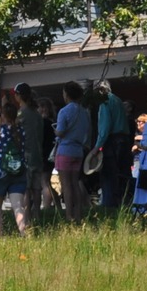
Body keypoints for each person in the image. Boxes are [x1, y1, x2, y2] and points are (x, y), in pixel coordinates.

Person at [0, 99, 32, 236]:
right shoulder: (21, 131)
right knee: (18, 205)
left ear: (3, 116)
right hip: (18, 171)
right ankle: (24, 233)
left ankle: (0, 233)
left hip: (0, 171)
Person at [53, 81, 93, 222]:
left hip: (65, 150)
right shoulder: (84, 112)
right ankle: (78, 214)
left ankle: (69, 215)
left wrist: (55, 131)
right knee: (75, 183)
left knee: (66, 184)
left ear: (67, 94)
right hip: (78, 150)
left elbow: (61, 132)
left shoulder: (64, 111)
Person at [96, 82, 135, 209]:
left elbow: (105, 127)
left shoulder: (105, 102)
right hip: (124, 141)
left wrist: (97, 147)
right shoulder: (117, 100)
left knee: (109, 176)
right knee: (123, 176)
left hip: (112, 143)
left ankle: (109, 207)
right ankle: (125, 205)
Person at [12, 85, 49, 217]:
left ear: (19, 95)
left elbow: (13, 131)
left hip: (25, 155)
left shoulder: (21, 113)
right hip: (38, 155)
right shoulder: (37, 114)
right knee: (37, 188)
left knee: (26, 189)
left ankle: (26, 217)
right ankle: (37, 215)